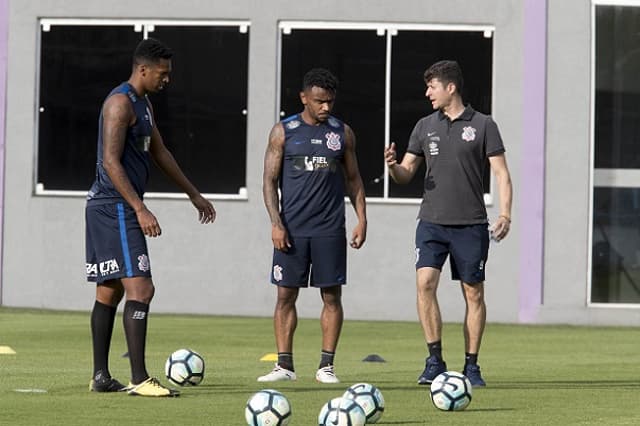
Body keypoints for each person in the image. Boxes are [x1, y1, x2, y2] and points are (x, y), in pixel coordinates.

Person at [85, 37, 216, 397]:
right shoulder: (118, 104)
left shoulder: (143, 106)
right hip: (115, 206)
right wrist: (139, 208)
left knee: (109, 290)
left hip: (114, 206)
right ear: (143, 69)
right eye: (163, 73)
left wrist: (193, 193)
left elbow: (160, 152)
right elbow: (110, 162)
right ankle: (140, 378)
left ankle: (100, 377)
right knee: (142, 288)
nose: (167, 79)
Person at [384, 60, 512, 387]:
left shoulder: (484, 125)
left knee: (474, 294)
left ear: (450, 87)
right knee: (425, 283)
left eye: (432, 87)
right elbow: (406, 173)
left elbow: (501, 173)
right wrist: (392, 167)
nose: (427, 93)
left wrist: (505, 214)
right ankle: (434, 360)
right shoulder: (424, 125)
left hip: (470, 224)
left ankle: (471, 366)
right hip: (431, 223)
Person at [259, 68, 367, 384]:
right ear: (304, 98)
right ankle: (284, 366)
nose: (326, 108)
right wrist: (276, 223)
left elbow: (354, 179)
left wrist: (362, 219)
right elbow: (268, 181)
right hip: (291, 230)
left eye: (330, 102)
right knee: (285, 296)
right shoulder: (283, 131)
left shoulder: (342, 133)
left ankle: (326, 366)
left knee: (331, 297)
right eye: (319, 101)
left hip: (329, 229)